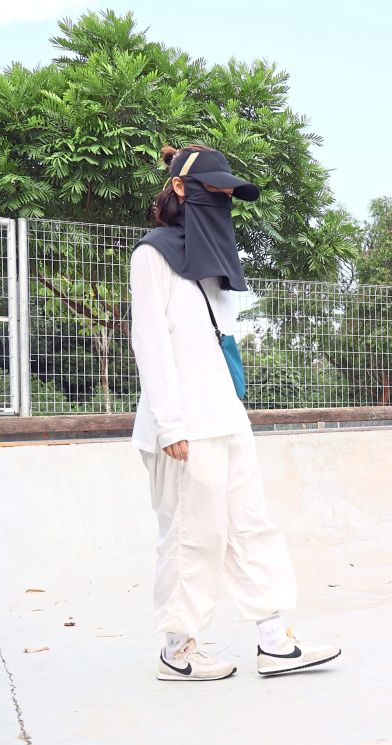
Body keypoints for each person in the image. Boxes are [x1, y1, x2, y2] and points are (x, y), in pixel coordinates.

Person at [130, 144, 341, 680]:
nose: (222, 198)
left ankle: (274, 641)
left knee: (251, 527)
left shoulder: (216, 262)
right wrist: (173, 425)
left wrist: (235, 407)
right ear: (180, 187)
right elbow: (151, 345)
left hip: (226, 417)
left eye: (227, 192)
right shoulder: (151, 256)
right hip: (183, 427)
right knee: (189, 536)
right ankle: (177, 651)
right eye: (213, 189)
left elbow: (219, 342)